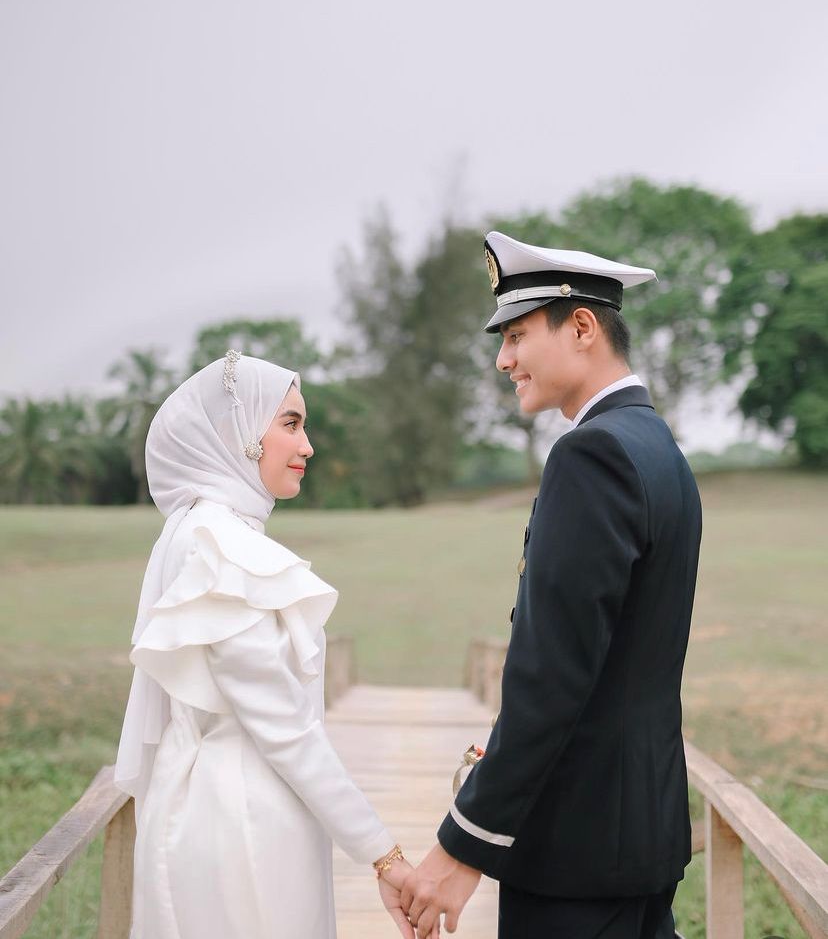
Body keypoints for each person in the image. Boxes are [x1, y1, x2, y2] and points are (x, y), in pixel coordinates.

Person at [402, 231, 702, 938]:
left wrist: (462, 843)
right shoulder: (657, 447)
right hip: (643, 831)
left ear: (582, 327)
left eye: (516, 335)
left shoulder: (591, 455)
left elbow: (552, 677)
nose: (503, 359)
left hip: (578, 848)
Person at [114, 351, 414, 939]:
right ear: (240, 431)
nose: (307, 447)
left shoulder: (201, 531)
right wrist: (384, 854)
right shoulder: (222, 549)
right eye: (290, 424)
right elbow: (285, 728)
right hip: (240, 825)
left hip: (213, 809)